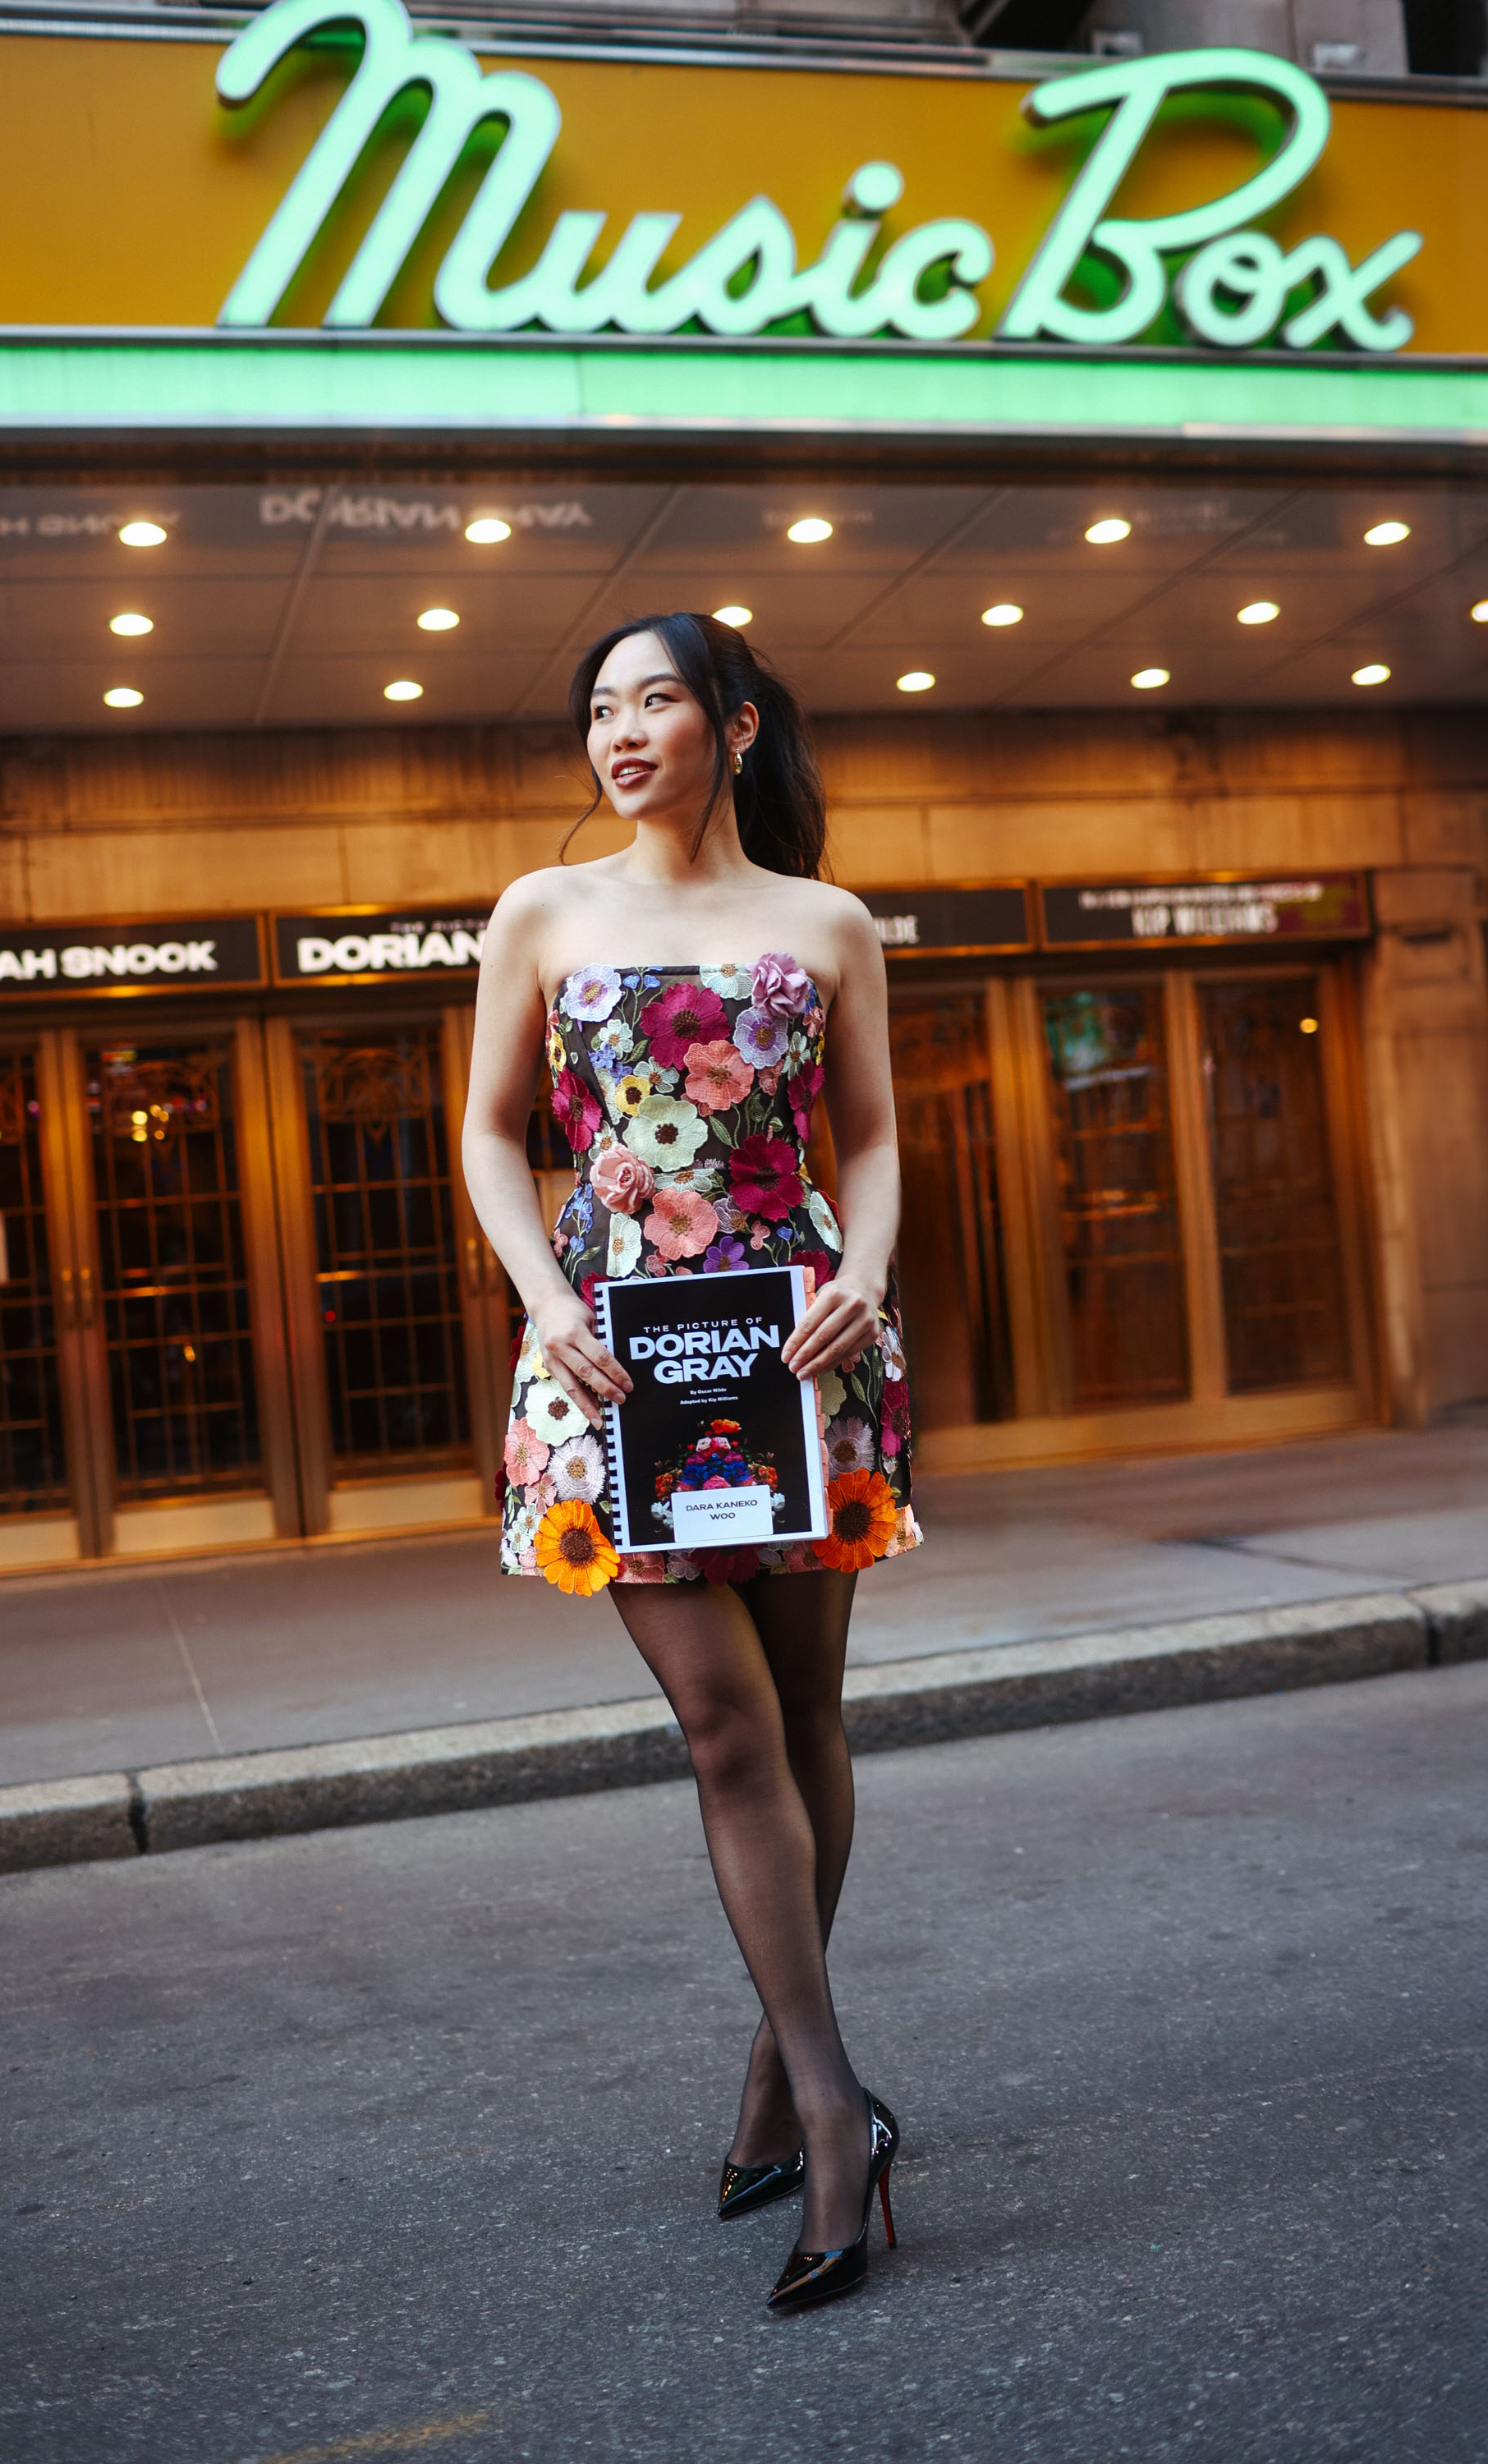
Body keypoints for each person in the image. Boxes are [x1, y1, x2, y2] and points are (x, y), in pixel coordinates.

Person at [462, 612, 921, 2313]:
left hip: (802, 1351)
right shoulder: (544, 910)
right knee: (729, 1729)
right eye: (598, 709)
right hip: (613, 1361)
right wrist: (544, 1302)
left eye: (655, 699)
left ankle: (764, 2085)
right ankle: (828, 2105)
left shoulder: (826, 924)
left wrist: (863, 1275)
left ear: (733, 725)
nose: (621, 732)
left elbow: (866, 1138)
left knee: (809, 1721)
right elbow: (487, 1135)